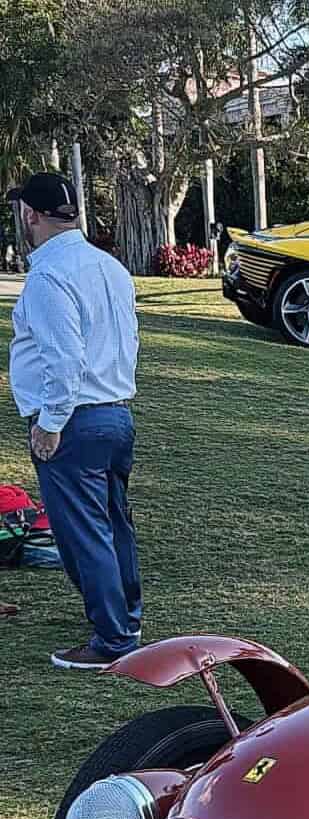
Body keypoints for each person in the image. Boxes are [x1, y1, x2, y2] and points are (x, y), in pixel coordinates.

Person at [6, 172, 143, 667]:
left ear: (30, 215)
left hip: (73, 420)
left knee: (82, 532)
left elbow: (64, 359)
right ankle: (125, 616)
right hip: (115, 412)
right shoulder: (110, 267)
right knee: (113, 522)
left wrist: (50, 422)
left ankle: (112, 640)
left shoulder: (48, 277)